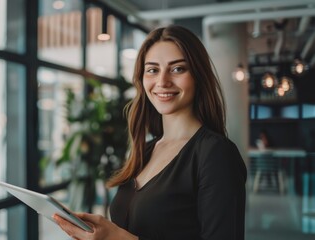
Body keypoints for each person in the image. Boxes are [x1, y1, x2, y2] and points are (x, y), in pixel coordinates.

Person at [54, 24, 247, 240]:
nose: (162, 82)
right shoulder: (146, 149)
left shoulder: (216, 154)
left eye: (177, 69)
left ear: (198, 76)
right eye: (153, 70)